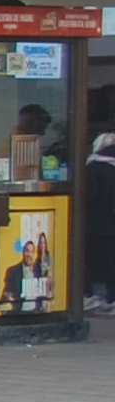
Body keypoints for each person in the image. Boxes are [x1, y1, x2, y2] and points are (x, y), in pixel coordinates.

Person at [86, 133, 115, 312]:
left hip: (96, 224)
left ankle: (89, 296)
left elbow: (89, 197)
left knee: (91, 259)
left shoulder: (93, 168)